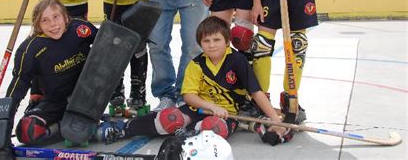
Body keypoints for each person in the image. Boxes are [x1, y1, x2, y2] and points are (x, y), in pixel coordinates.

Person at [95, 16, 292, 146]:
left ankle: (188, 132)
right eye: (206, 41)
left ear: (226, 40)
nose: (212, 45)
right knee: (169, 118)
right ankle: (123, 129)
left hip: (227, 114)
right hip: (197, 109)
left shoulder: (237, 60)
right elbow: (189, 96)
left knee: (215, 129)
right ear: (200, 43)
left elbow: (256, 92)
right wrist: (210, 105)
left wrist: (276, 121)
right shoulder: (197, 64)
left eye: (216, 40)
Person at [5, 0, 98, 144]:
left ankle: (76, 126)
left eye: (56, 17)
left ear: (65, 16)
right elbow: (19, 84)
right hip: (56, 102)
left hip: (87, 98)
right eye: (45, 20)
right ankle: (66, 127)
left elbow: (107, 42)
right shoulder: (30, 49)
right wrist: (4, 122)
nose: (53, 24)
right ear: (37, 25)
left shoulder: (79, 28)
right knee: (26, 130)